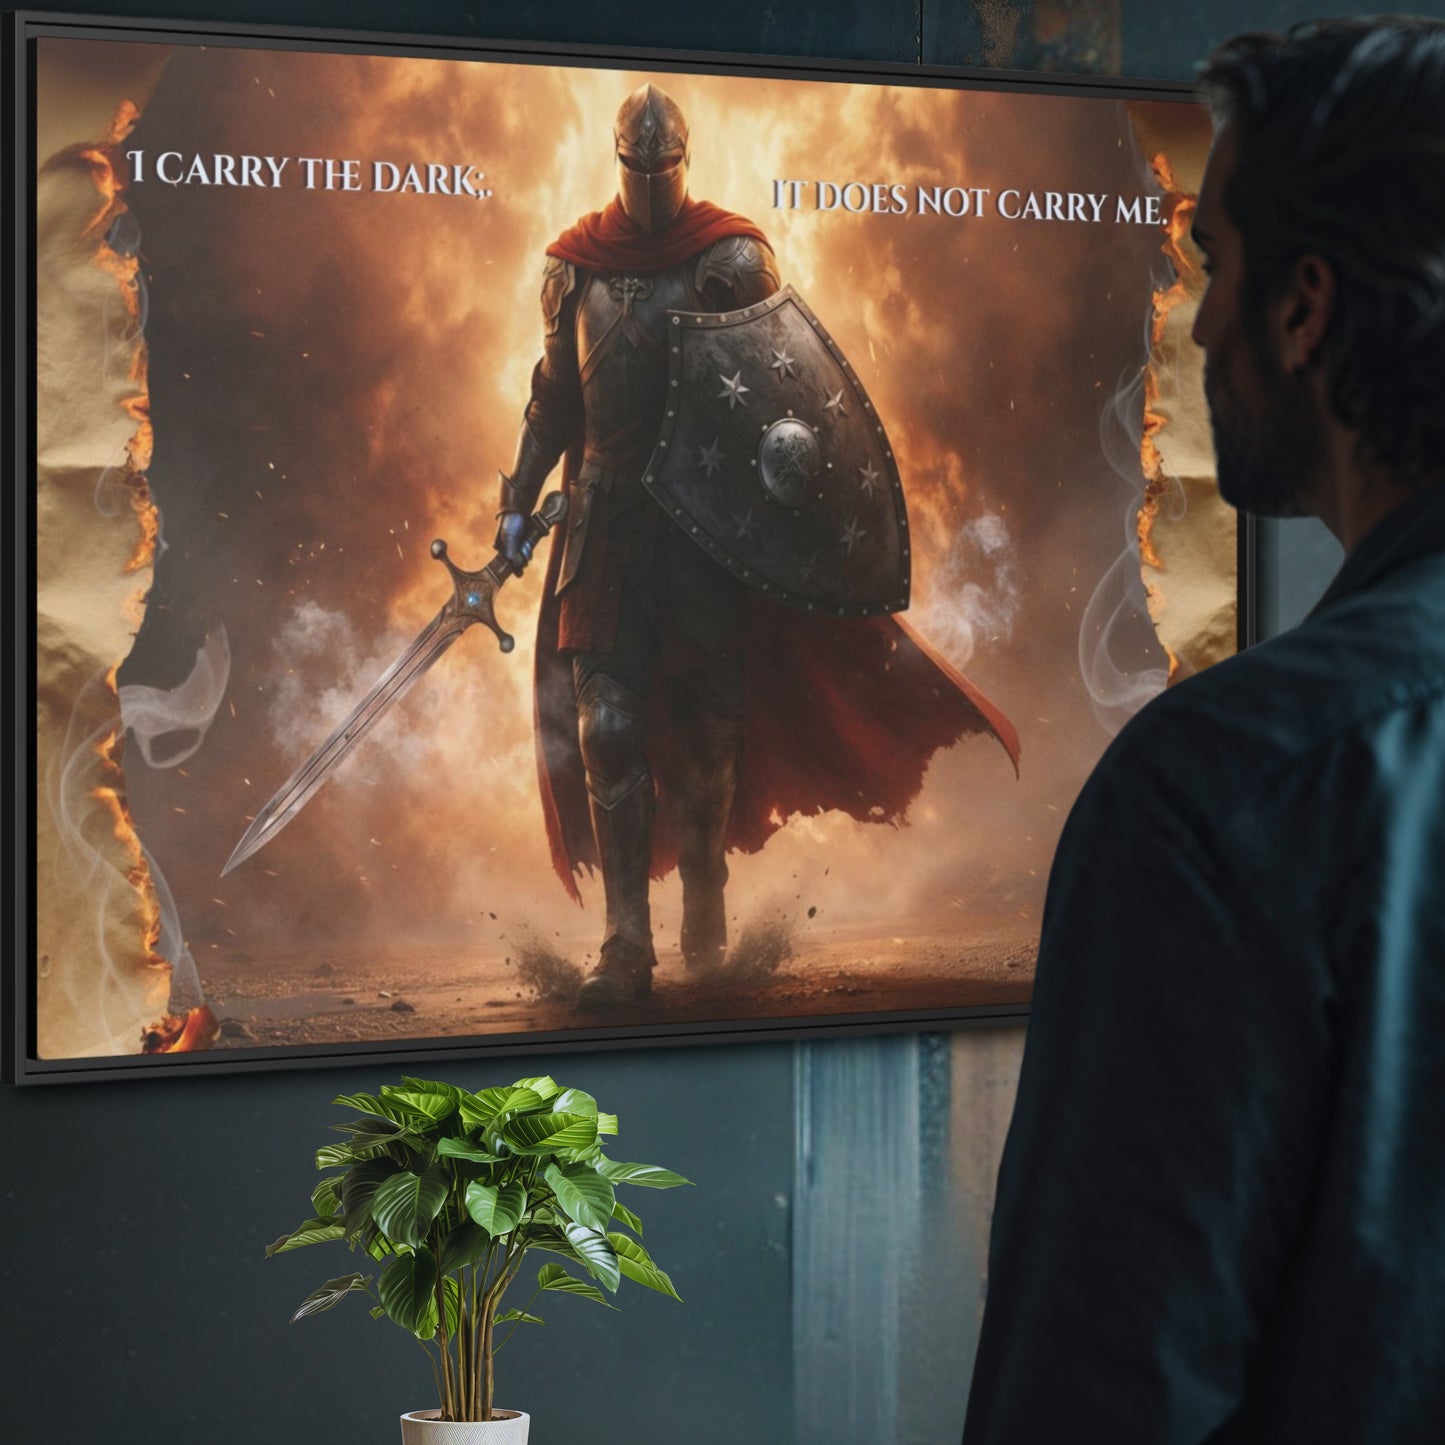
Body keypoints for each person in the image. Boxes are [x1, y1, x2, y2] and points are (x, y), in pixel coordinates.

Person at [962, 18, 1445, 1444]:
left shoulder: (1223, 793)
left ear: (1305, 311)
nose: (1198, 316)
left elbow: (1095, 1403)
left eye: (1210, 262)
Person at [494, 84, 1019, 1010]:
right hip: (607, 523)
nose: (651, 181)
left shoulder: (730, 262)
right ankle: (624, 943)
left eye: (662, 166)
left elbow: (791, 406)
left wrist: (787, 494)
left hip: (703, 532)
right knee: (606, 728)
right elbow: (556, 400)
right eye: (637, 166)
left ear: (681, 161)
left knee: (705, 738)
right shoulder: (571, 269)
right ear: (619, 161)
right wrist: (514, 501)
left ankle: (704, 884)